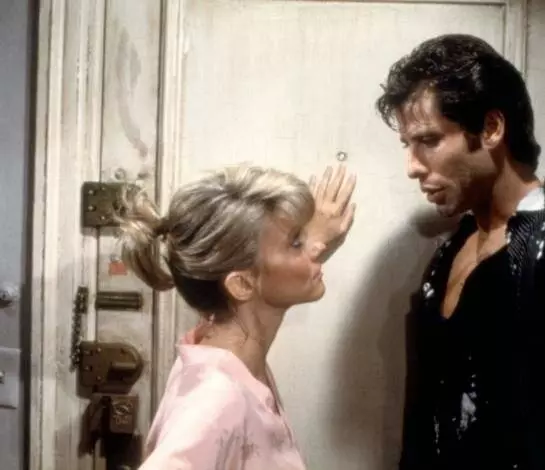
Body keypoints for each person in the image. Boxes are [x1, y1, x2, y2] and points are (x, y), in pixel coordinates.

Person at [376, 34, 545, 470]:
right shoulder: (452, 247)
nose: (413, 167)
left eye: (429, 140)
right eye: (408, 145)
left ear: (491, 129)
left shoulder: (540, 248)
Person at [118, 164, 356, 469]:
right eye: (296, 242)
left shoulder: (222, 352)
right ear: (241, 284)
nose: (316, 247)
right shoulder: (216, 398)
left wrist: (303, 242)